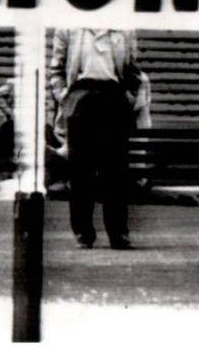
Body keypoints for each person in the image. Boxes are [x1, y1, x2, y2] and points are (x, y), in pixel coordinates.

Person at [47, 28, 142, 249]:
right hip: (80, 96)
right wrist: (65, 97)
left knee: (116, 171)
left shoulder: (124, 27)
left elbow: (133, 71)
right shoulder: (68, 28)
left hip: (113, 96)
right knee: (81, 171)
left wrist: (128, 96)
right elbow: (56, 70)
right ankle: (83, 231)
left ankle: (118, 233)